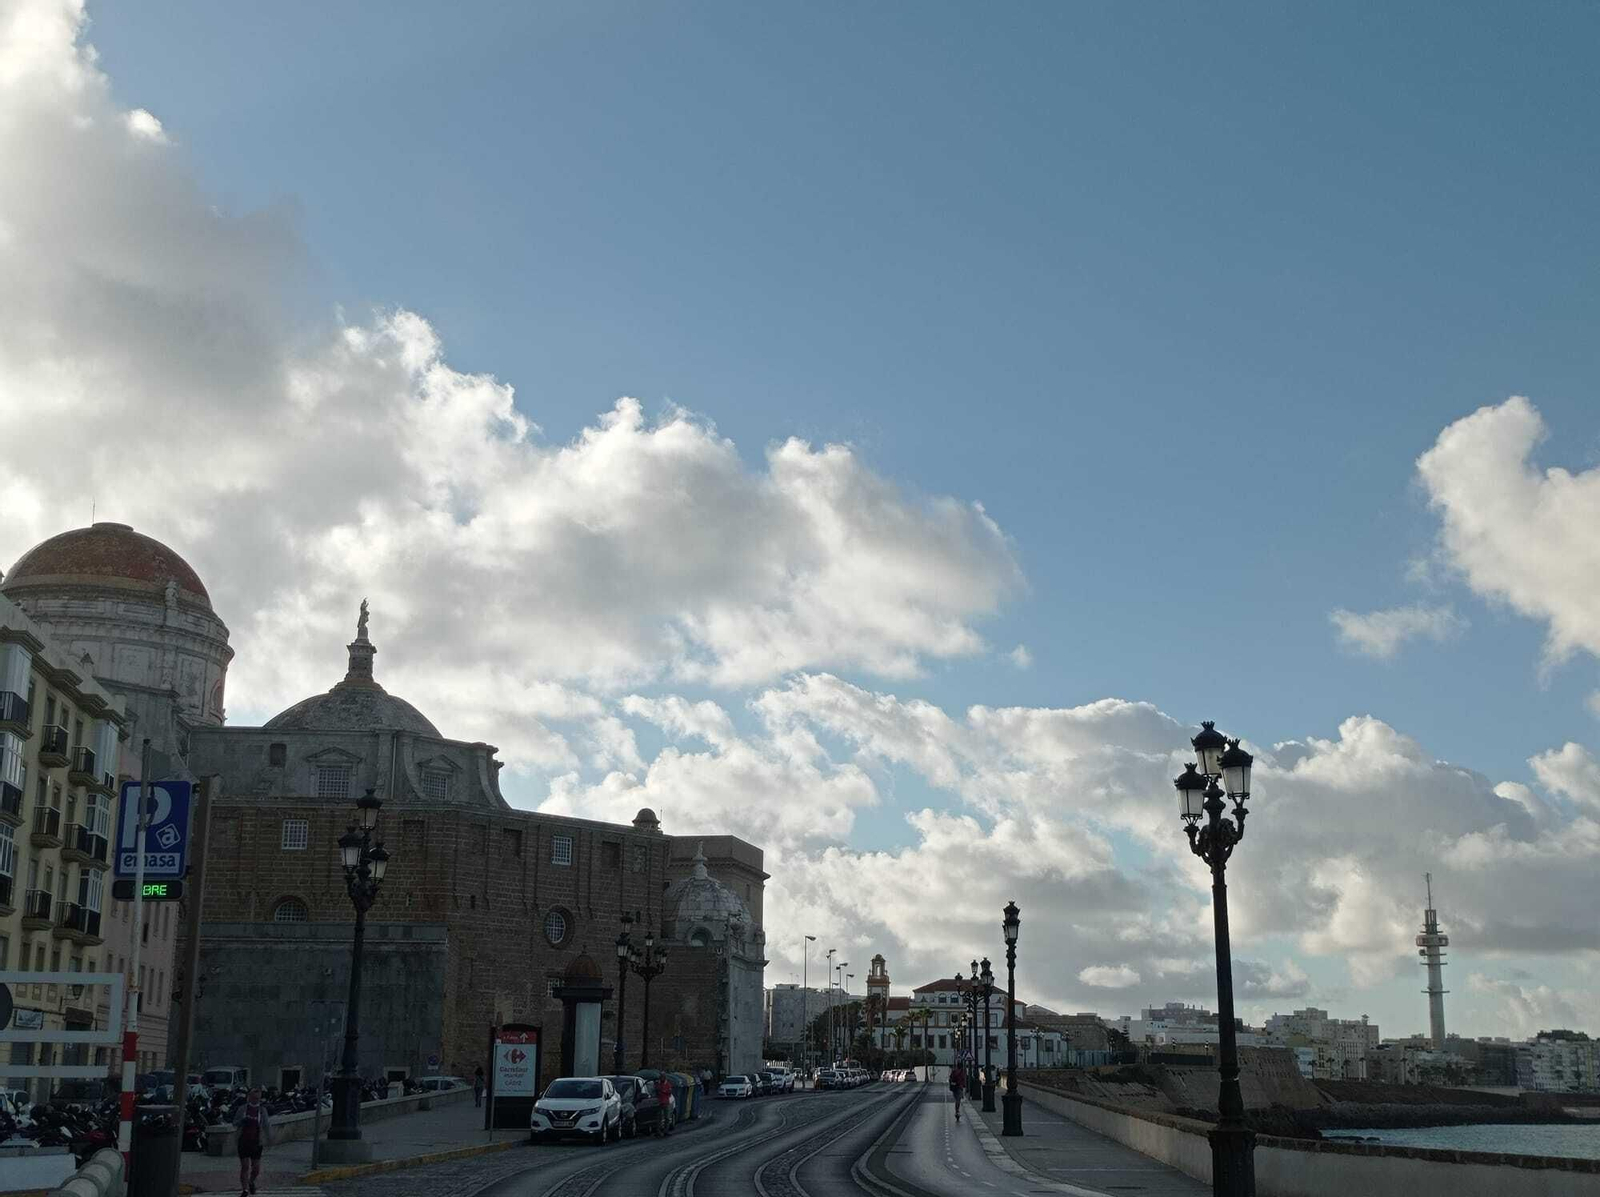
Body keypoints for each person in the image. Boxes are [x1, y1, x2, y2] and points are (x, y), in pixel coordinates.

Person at [231, 1086, 272, 1196]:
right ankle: (244, 1190)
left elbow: (266, 1125)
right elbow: (234, 1123)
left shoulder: (262, 1111)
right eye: (253, 1098)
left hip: (256, 1142)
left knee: (256, 1168)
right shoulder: (242, 1109)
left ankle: (251, 1181)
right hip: (243, 1140)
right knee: (245, 1166)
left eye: (257, 1098)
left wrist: (269, 1139)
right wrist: (242, 1121)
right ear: (249, 1097)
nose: (255, 1100)